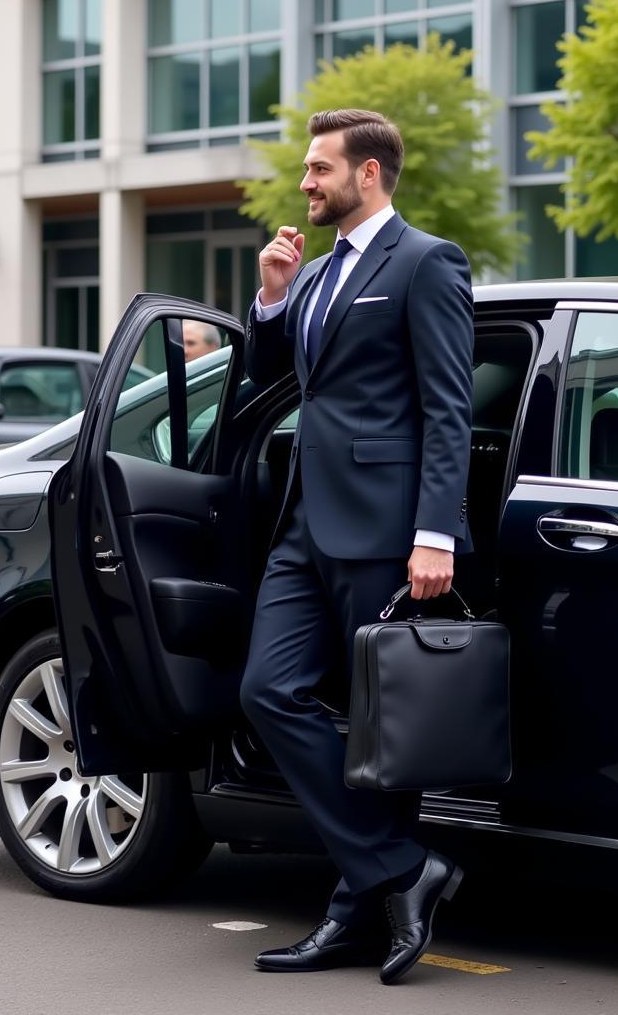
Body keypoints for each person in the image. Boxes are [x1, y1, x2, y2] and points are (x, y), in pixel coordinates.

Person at [239, 108, 474, 985]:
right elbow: (268, 382)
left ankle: (353, 914)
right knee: (267, 690)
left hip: (387, 529)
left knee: (383, 733)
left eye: (318, 169)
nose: (306, 183)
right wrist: (269, 298)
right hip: (305, 523)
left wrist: (434, 533)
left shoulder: (425, 261)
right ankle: (402, 872)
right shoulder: (311, 275)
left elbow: (449, 406)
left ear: (367, 174)